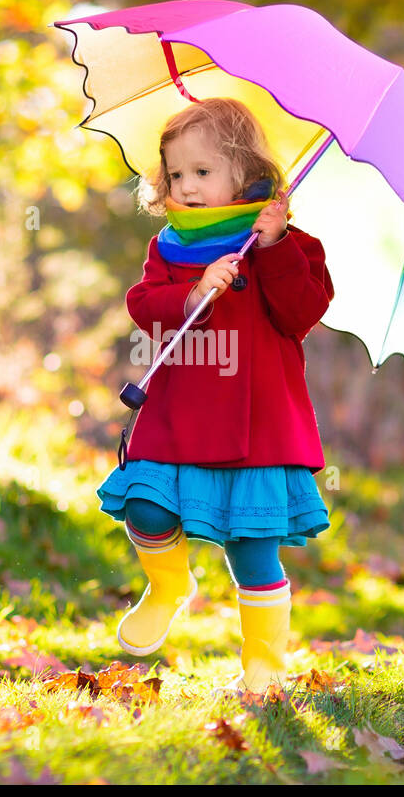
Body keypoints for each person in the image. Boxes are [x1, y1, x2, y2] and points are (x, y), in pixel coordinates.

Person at [96, 97, 335, 696]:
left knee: (252, 548)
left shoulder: (288, 244)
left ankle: (262, 665)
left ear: (245, 173)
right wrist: (193, 290)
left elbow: (301, 311)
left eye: (203, 173)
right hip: (180, 416)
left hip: (258, 429)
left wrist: (275, 248)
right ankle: (170, 584)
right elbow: (144, 306)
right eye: (176, 174)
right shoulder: (172, 247)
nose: (187, 186)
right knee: (147, 507)